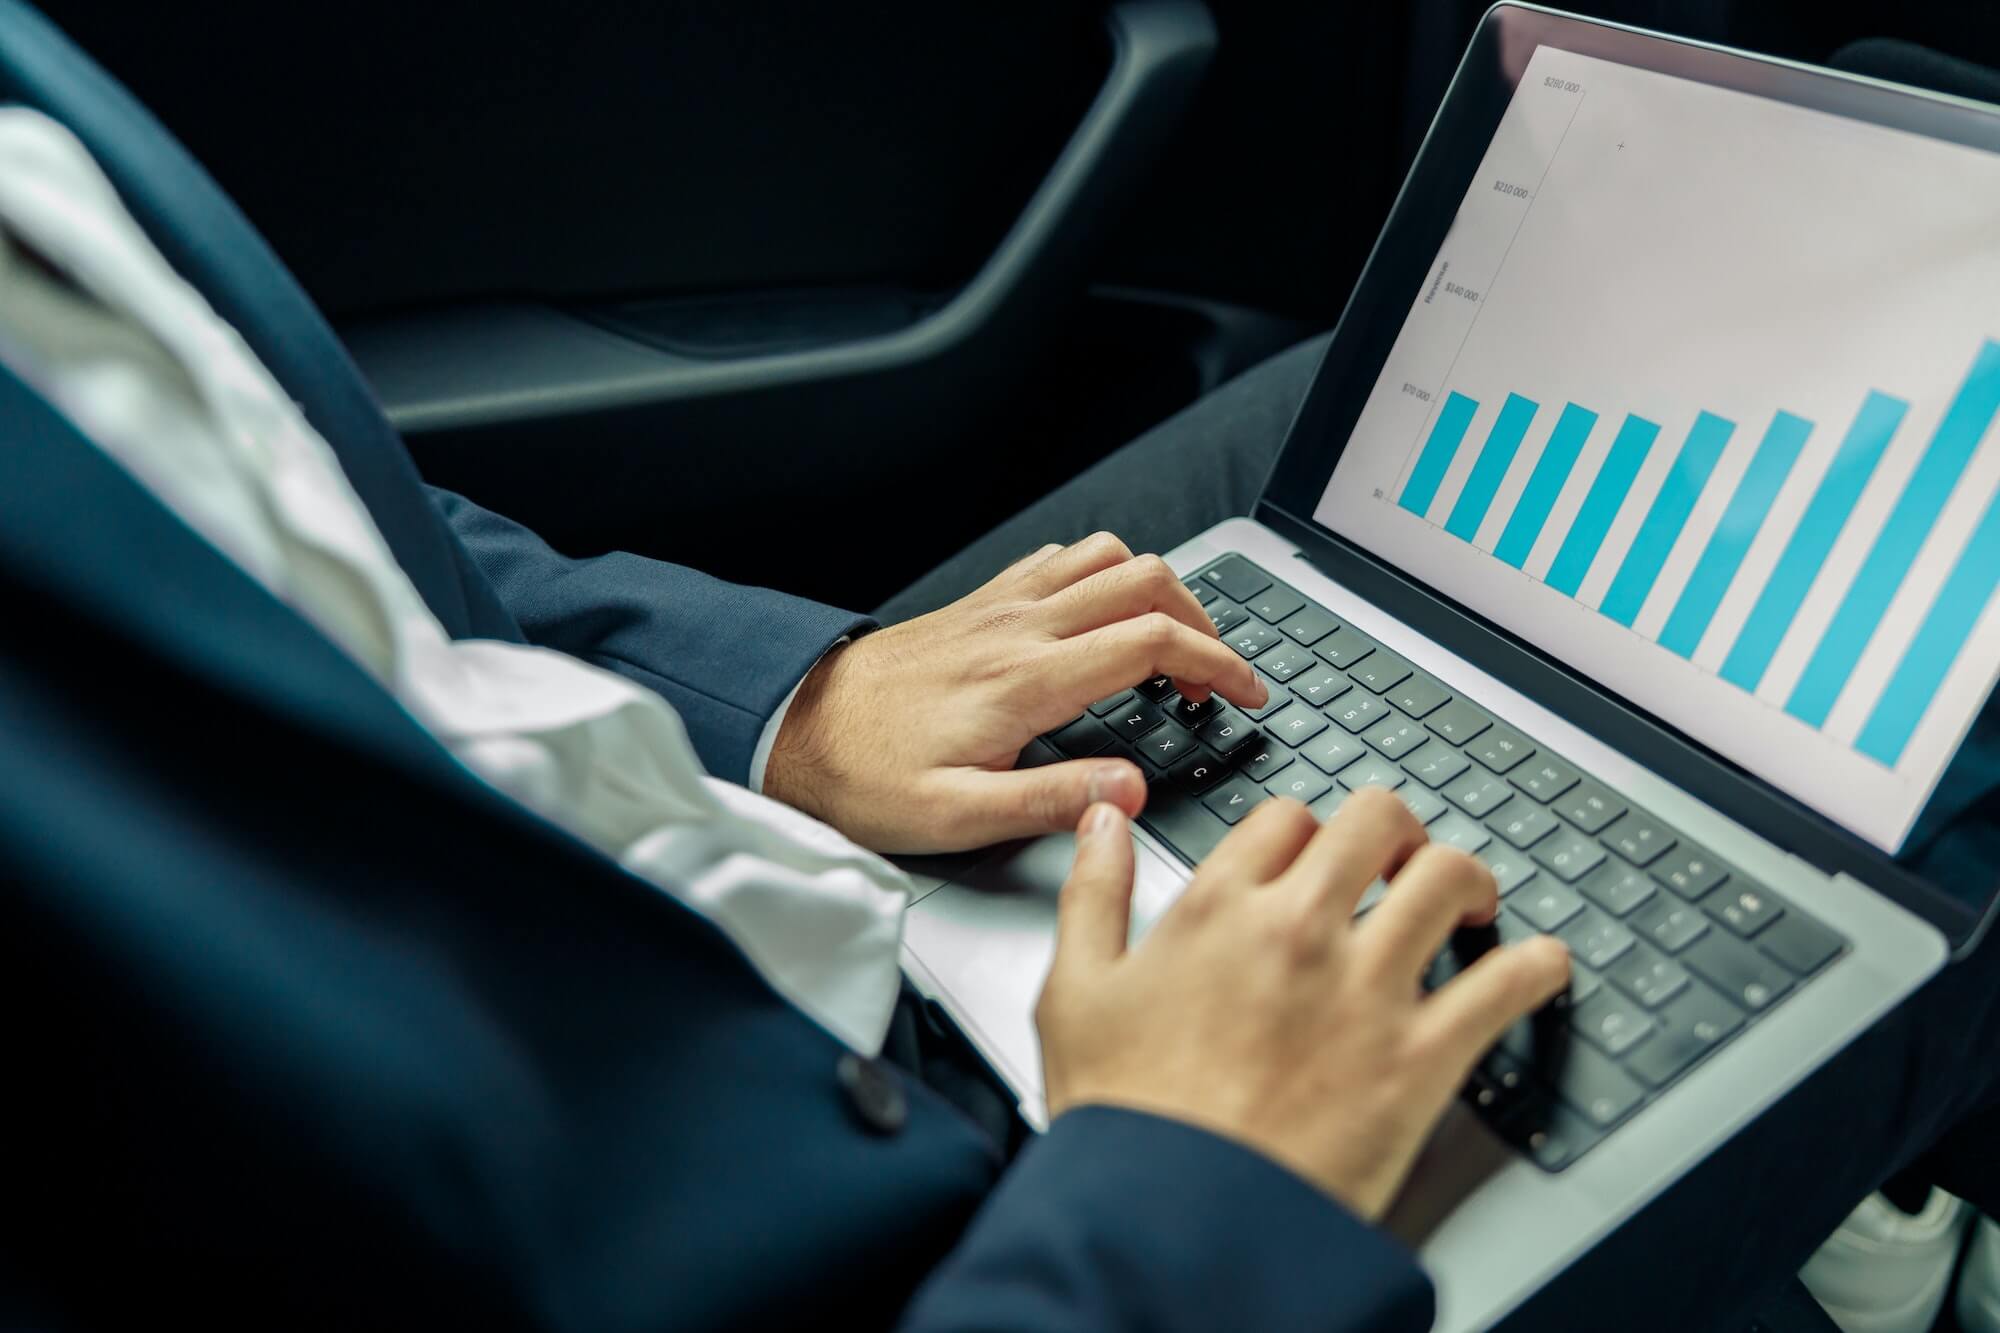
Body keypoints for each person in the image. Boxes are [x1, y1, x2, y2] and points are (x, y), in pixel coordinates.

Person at [0, 6, 1996, 1332]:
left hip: (739, 835)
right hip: (1007, 1229)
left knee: (1342, 450)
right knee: (1932, 835)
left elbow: (328, 538)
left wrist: (777, 706)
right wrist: (1192, 1189)